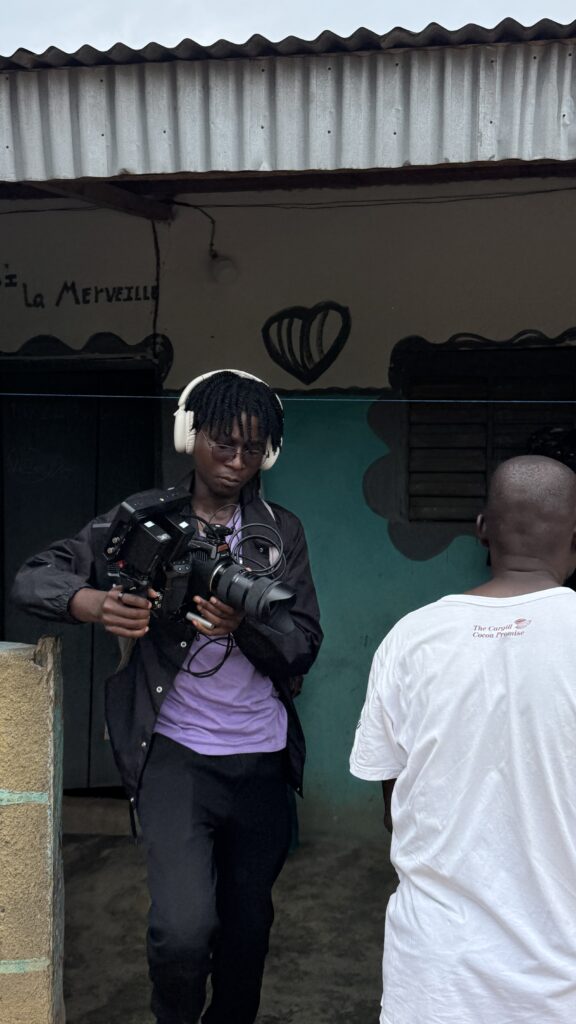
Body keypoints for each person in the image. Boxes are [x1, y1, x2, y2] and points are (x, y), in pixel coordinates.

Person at [12, 368, 322, 1024]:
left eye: (252, 447)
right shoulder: (143, 518)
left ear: (268, 452)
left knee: (246, 933)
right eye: (222, 443)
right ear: (190, 436)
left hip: (262, 761)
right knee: (181, 932)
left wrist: (245, 626)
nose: (236, 461)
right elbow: (34, 577)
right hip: (175, 756)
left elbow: (302, 645)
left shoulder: (280, 532)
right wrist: (93, 602)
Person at [350, 455, 576, 1024]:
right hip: (560, 985)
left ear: (481, 529)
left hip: (433, 982)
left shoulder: (410, 639)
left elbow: (396, 812)